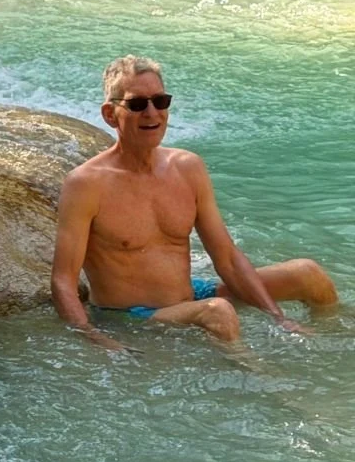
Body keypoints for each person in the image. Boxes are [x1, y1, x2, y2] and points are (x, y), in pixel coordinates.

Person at [51, 55, 339, 349]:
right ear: (110, 114)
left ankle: (336, 346)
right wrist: (93, 337)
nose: (151, 113)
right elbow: (63, 280)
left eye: (160, 101)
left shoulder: (188, 167)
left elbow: (225, 257)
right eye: (137, 104)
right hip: (132, 315)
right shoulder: (86, 184)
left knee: (308, 274)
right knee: (218, 312)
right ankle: (267, 385)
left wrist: (279, 318)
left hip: (191, 295)